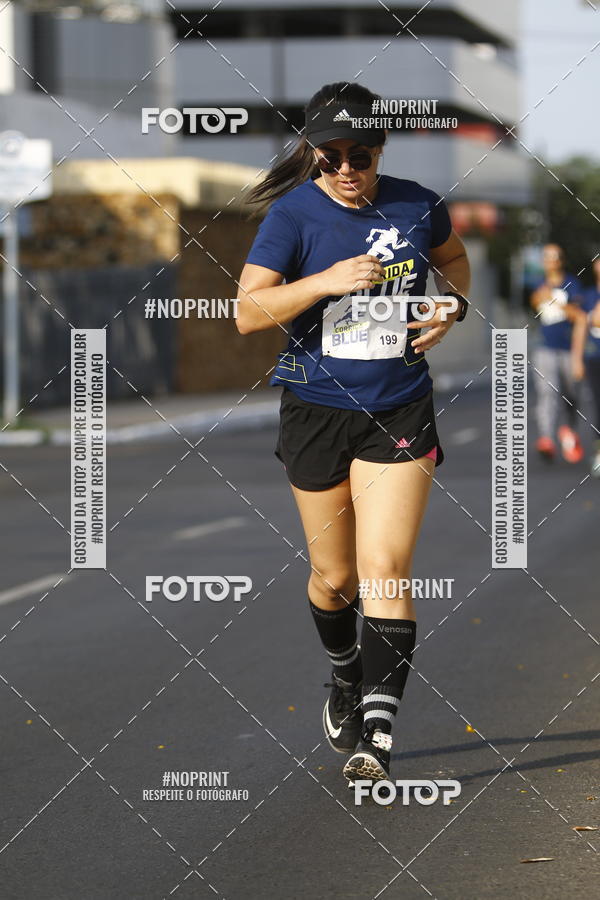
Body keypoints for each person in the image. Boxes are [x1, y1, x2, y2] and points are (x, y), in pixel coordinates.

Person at [236, 82, 470, 785]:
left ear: (379, 151)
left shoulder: (417, 203)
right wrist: (324, 282)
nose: (345, 168)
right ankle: (344, 675)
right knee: (335, 577)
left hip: (398, 405)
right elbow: (247, 313)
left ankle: (378, 735)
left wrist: (451, 305)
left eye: (359, 154)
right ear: (311, 153)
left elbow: (453, 261)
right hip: (315, 411)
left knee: (384, 570)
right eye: (330, 155)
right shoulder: (294, 214)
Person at [530, 244, 587, 463]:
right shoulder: (539, 283)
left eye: (554, 257)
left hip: (568, 348)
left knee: (571, 394)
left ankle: (569, 431)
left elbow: (578, 315)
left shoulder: (572, 284)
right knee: (547, 392)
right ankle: (546, 439)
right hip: (545, 347)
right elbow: (534, 303)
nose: (550, 260)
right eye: (546, 257)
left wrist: (555, 300)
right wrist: (540, 296)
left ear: (561, 260)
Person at [582, 258, 600, 476]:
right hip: (595, 357)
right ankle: (598, 451)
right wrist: (577, 358)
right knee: (597, 403)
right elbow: (581, 328)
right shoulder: (588, 297)